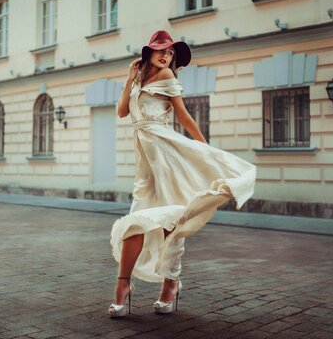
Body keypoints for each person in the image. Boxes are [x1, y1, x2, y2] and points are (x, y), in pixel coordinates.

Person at [108, 30, 257, 317]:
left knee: (169, 223)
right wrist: (129, 79)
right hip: (146, 161)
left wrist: (203, 148)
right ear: (148, 52)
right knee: (135, 223)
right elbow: (122, 111)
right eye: (161, 50)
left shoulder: (167, 78)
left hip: (166, 154)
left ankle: (170, 285)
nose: (166, 56)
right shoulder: (140, 79)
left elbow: (184, 115)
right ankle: (123, 285)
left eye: (171, 53)